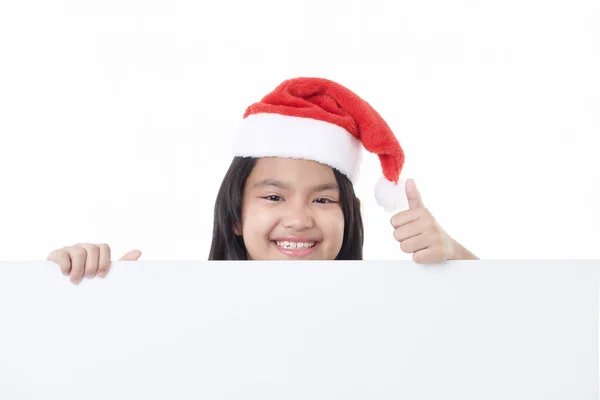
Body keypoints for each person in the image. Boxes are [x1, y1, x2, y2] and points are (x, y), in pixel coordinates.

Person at [47, 77, 478, 285]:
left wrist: (454, 257)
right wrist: (84, 290)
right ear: (235, 215)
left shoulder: (384, 313)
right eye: (274, 196)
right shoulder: (184, 310)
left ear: (349, 217)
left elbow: (513, 337)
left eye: (324, 201)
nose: (298, 219)